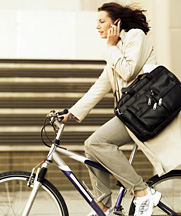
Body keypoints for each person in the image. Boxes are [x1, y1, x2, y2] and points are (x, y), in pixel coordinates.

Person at [62, 2, 161, 216]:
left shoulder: (135, 37)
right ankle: (104, 206)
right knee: (92, 148)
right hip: (131, 114)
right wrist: (71, 113)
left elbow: (127, 71)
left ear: (116, 23)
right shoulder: (116, 48)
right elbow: (101, 85)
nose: (97, 26)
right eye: (96, 22)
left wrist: (110, 46)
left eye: (101, 21)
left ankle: (142, 191)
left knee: (96, 142)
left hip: (144, 113)